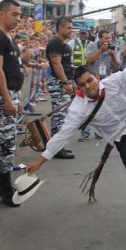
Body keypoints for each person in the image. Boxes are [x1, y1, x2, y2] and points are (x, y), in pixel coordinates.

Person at [25, 44, 126, 216]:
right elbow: (62, 136)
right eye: (82, 85)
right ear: (78, 88)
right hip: (121, 137)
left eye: (90, 81)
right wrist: (39, 161)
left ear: (96, 77)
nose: (88, 86)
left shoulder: (111, 82)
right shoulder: (77, 109)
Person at [0, 0, 24, 207]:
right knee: (4, 142)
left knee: (7, 142)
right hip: (2, 95)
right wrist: (8, 99)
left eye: (19, 15)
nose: (18, 18)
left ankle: (2, 184)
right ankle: (4, 187)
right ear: (2, 14)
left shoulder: (6, 37)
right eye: (14, 14)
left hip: (10, 93)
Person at [79, 29, 120, 141]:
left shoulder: (113, 46)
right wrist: (101, 50)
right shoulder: (92, 46)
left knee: (103, 107)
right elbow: (88, 60)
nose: (108, 40)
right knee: (88, 106)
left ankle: (99, 132)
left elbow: (116, 67)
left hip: (105, 79)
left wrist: (112, 56)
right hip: (92, 80)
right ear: (100, 38)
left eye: (109, 38)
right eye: (106, 38)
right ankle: (85, 132)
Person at [46, 16, 76, 159]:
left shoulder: (61, 43)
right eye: (69, 27)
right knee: (59, 116)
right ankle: (56, 149)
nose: (71, 30)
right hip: (59, 83)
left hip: (64, 82)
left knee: (63, 116)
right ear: (61, 28)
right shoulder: (55, 43)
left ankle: (59, 146)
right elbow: (56, 63)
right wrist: (65, 82)